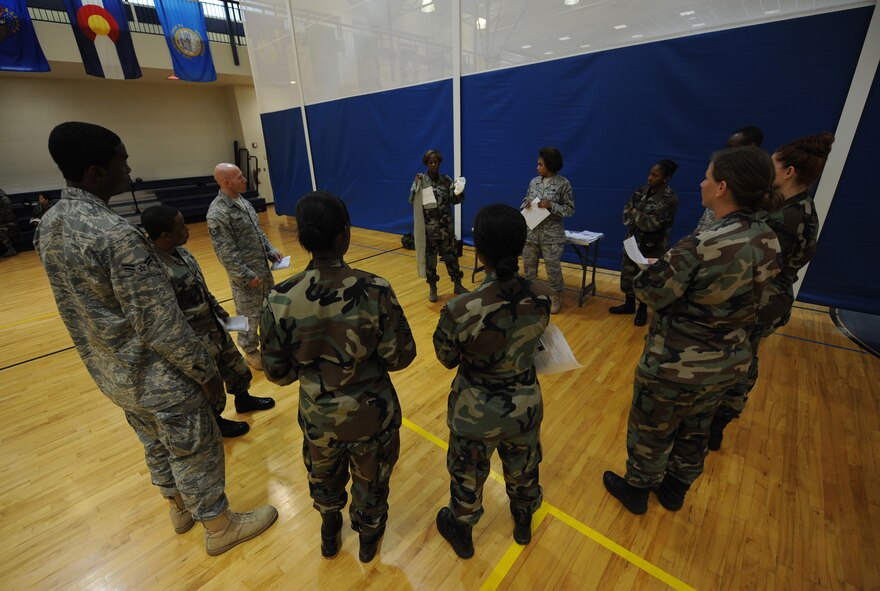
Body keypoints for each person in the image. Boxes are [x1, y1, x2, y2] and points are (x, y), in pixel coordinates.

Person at [36, 122, 277, 556]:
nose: (129, 169)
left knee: (154, 442)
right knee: (193, 447)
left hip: (113, 373)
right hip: (158, 375)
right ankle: (219, 527)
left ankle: (179, 508)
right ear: (96, 173)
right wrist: (205, 373)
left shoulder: (50, 224)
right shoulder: (116, 234)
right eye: (122, 162)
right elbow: (158, 322)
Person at [603, 147, 782, 515]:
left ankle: (637, 490)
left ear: (722, 187)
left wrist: (656, 270)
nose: (701, 183)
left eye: (707, 176)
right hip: (729, 361)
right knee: (697, 427)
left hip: (676, 363)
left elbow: (650, 291)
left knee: (653, 428)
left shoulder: (701, 243)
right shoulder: (767, 237)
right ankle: (675, 490)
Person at [260, 191, 416, 563]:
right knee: (372, 481)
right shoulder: (376, 289)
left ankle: (330, 529)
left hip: (319, 416)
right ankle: (368, 537)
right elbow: (399, 357)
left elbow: (277, 373)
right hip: (371, 416)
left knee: (324, 476)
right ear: (345, 234)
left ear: (303, 238)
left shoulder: (280, 298)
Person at [434, 204, 551, 559]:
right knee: (524, 466)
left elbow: (446, 357)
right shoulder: (541, 294)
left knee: (467, 473)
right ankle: (523, 519)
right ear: (521, 246)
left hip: (475, 411)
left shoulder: (461, 309)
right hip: (524, 405)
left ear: (479, 252)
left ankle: (462, 530)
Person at [708, 132, 835, 451]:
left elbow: (758, 263)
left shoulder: (789, 217)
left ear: (789, 171)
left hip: (758, 301)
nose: (768, 169)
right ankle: (714, 421)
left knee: (739, 362)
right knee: (740, 357)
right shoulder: (792, 207)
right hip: (763, 297)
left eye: (773, 164)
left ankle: (716, 423)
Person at [141, 205, 276, 438]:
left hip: (213, 324)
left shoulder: (183, 253)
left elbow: (201, 288)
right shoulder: (153, 270)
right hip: (195, 336)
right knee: (212, 380)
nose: (188, 229)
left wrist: (220, 312)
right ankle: (217, 421)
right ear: (165, 235)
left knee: (236, 366)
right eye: (181, 226)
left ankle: (243, 399)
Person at [207, 163, 284, 370]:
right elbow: (225, 252)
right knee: (248, 315)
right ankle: (250, 351)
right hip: (246, 277)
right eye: (240, 177)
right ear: (226, 182)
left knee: (268, 308)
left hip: (262, 270)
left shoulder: (243, 201)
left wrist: (271, 250)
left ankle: (271, 342)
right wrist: (245, 275)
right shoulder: (218, 212)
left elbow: (257, 232)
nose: (244, 179)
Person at [609, 159, 679, 326]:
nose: (650, 178)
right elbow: (626, 212)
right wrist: (637, 216)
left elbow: (652, 224)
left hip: (653, 245)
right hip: (633, 239)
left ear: (666, 178)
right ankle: (629, 304)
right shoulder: (641, 191)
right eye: (650, 174)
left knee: (646, 277)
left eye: (655, 175)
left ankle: (642, 309)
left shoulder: (669, 198)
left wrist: (636, 213)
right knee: (628, 273)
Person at [408, 149, 468, 302]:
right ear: (426, 164)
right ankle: (433, 288)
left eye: (436, 162)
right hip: (430, 231)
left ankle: (458, 284)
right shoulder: (421, 180)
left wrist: (459, 191)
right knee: (430, 261)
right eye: (430, 162)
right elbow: (412, 201)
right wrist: (416, 186)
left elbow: (454, 200)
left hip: (446, 229)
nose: (433, 164)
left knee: (451, 258)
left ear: (439, 162)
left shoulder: (446, 180)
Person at [520, 147, 574, 314]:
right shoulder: (534, 182)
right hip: (531, 232)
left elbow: (570, 210)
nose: (537, 167)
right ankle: (531, 295)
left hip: (552, 235)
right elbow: (525, 199)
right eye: (537, 164)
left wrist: (552, 205)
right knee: (529, 268)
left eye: (540, 164)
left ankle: (556, 296)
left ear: (550, 165)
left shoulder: (563, 183)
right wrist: (526, 204)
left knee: (552, 268)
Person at [695, 126, 764, 232]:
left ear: (751, 146)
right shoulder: (724, 170)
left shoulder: (756, 181)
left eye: (731, 147)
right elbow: (705, 222)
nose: (727, 152)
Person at [0, 186, 18, 257]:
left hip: (10, 223)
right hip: (4, 222)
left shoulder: (5, 201)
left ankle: (11, 249)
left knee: (0, 230)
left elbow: (8, 216)